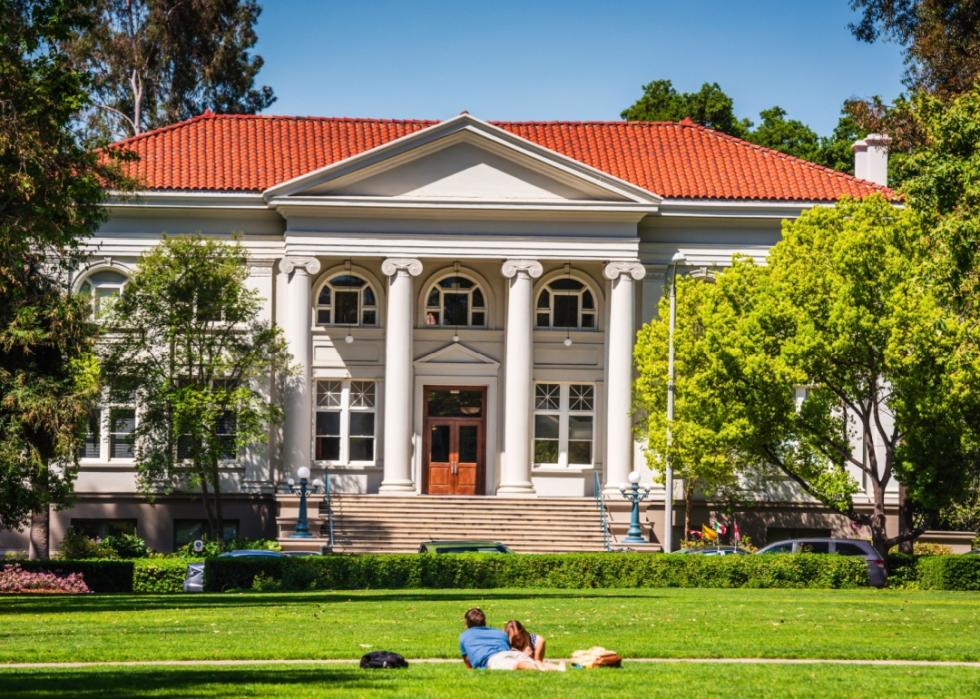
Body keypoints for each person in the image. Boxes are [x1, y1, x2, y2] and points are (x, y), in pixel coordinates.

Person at [459, 608, 564, 671]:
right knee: (535, 662)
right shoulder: (499, 633)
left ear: (467, 623)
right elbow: (506, 648)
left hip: (494, 659)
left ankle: (542, 671)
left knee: (517, 665)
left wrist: (471, 670)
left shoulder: (465, 636)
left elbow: (468, 661)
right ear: (485, 622)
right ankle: (557, 668)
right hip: (512, 653)